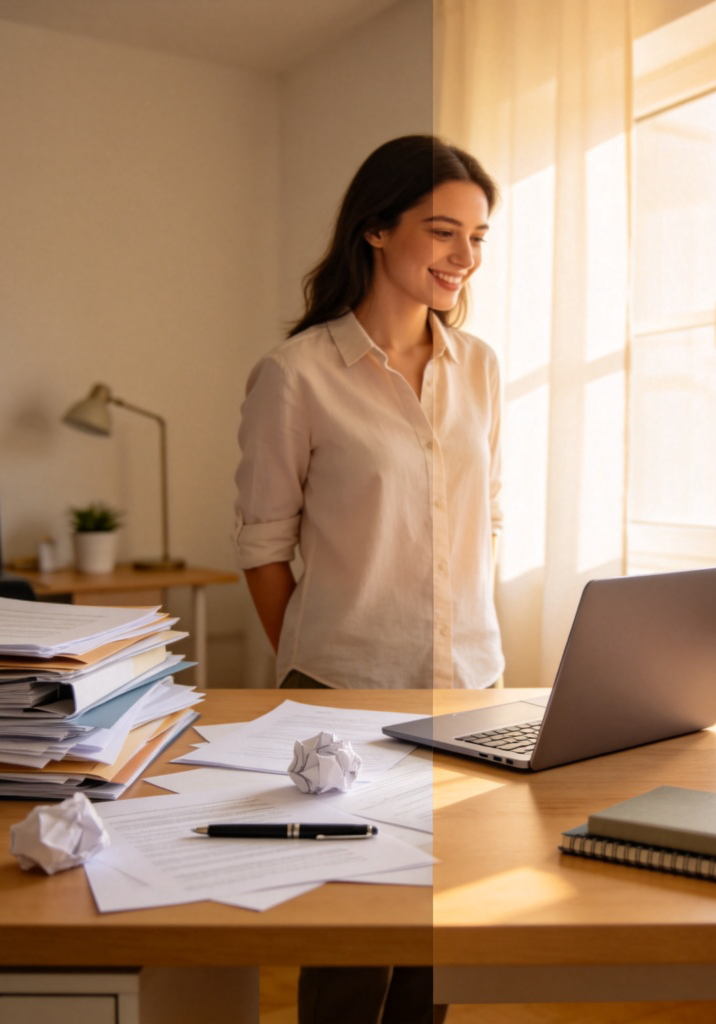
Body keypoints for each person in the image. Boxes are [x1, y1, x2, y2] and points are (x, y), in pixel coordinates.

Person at [233, 135, 504, 1023]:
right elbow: (264, 548)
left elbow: (485, 519)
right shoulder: (297, 373)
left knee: (437, 945)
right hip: (343, 693)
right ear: (378, 231)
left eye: (478, 236)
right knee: (352, 951)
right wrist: (319, 675)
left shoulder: (483, 370)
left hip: (467, 691)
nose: (463, 257)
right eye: (442, 231)